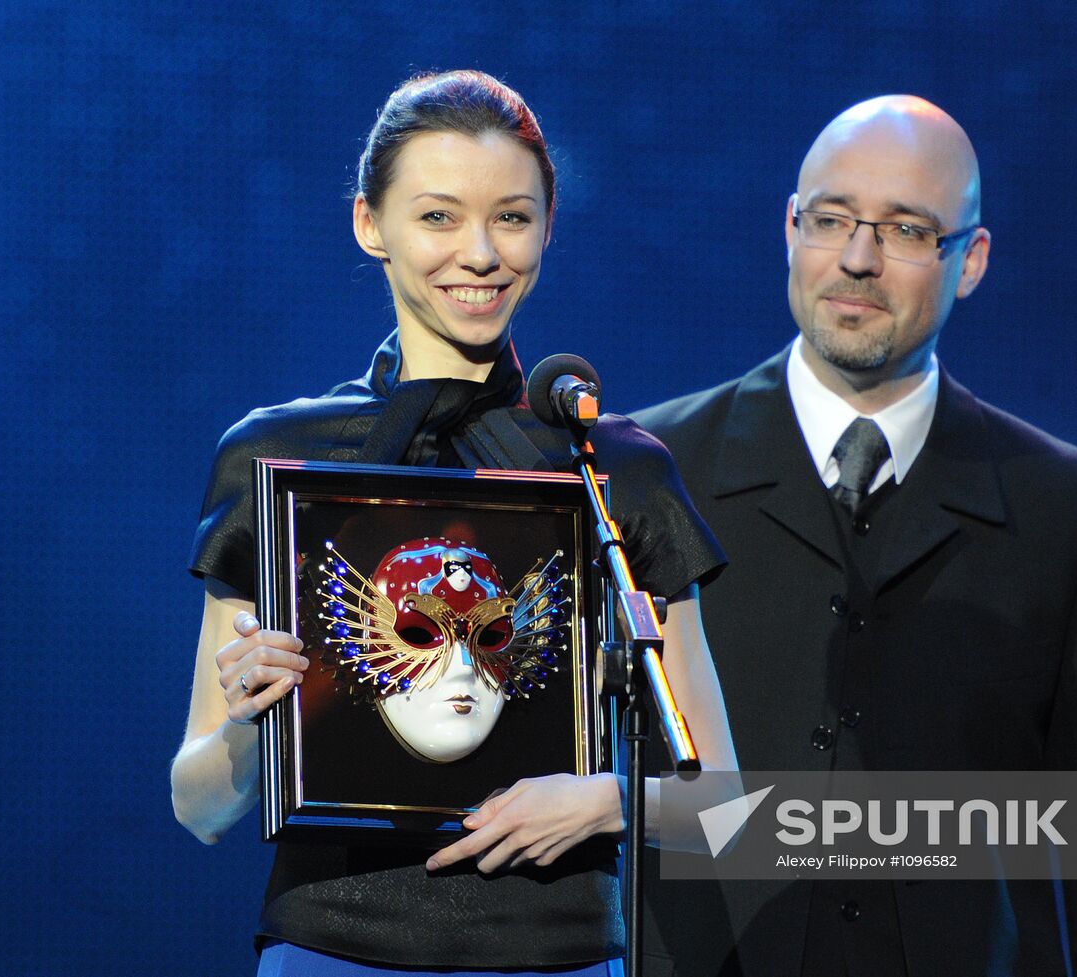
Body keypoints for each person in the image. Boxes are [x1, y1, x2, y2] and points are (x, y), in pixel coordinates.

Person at [170, 70, 738, 977]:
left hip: (559, 955)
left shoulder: (612, 468)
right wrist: (252, 727)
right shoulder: (280, 463)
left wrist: (607, 801)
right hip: (332, 949)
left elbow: (723, 801)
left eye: (512, 217)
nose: (480, 252)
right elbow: (197, 805)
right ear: (370, 225)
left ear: (548, 226)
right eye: (438, 217)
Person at [632, 95, 1077, 976]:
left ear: (971, 261)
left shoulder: (1067, 510)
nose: (857, 258)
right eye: (832, 220)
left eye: (905, 230)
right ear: (789, 228)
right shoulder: (650, 471)